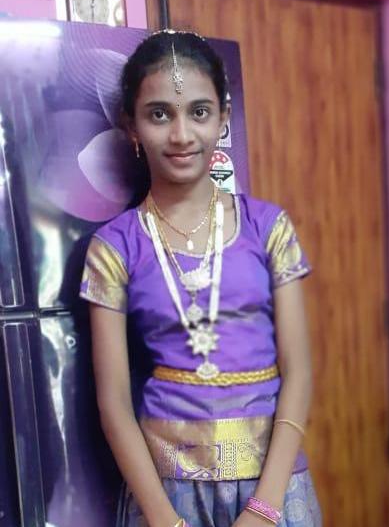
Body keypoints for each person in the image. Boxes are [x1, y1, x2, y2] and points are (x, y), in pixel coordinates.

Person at [80, 30, 321, 527]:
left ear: (223, 118)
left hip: (272, 489)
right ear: (131, 126)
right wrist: (164, 519)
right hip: (165, 492)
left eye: (199, 112)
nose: (182, 134)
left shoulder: (268, 228)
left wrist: (264, 509)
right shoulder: (114, 247)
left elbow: (298, 372)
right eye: (159, 114)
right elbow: (114, 403)